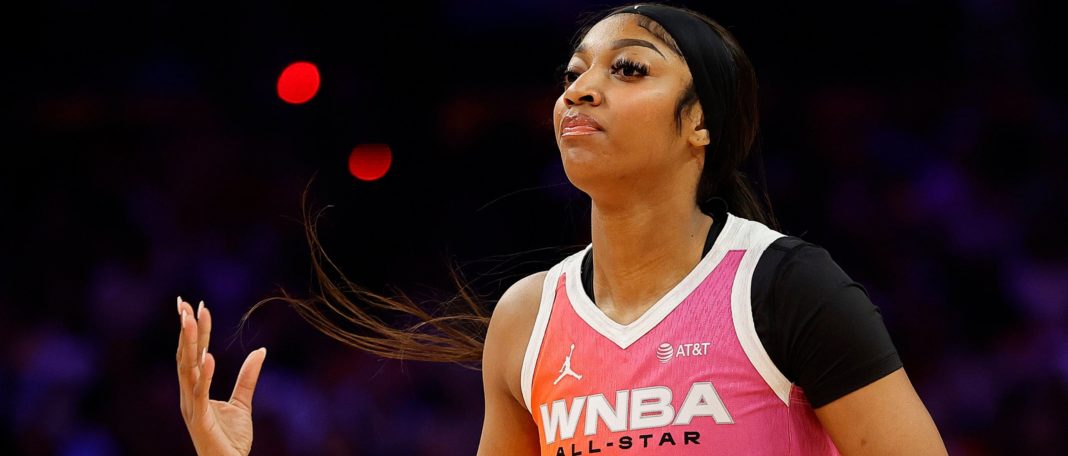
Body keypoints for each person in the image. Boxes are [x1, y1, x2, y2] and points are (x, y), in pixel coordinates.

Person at [175, 3, 948, 455]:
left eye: (628, 69)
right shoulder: (524, 320)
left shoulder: (786, 288)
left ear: (700, 123)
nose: (580, 90)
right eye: (574, 72)